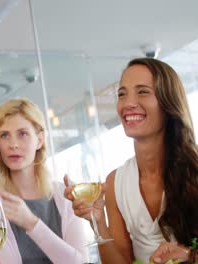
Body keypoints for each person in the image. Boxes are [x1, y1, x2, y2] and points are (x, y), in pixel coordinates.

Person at [64, 58, 198, 264]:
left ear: (168, 101)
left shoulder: (195, 170)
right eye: (122, 94)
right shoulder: (116, 183)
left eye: (142, 91)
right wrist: (98, 222)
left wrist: (190, 256)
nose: (128, 104)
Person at [0, 98, 89, 264]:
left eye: (22, 134)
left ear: (40, 140)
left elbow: (80, 263)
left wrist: (32, 223)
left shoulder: (63, 194)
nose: (13, 144)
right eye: (5, 135)